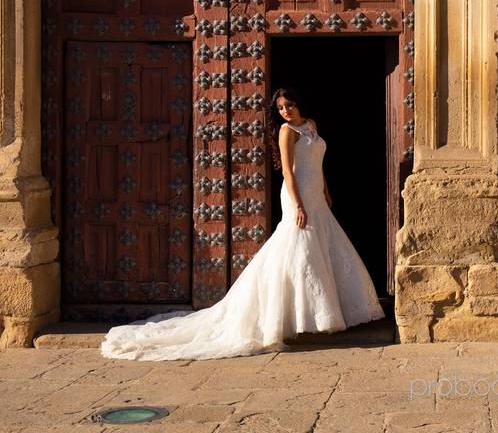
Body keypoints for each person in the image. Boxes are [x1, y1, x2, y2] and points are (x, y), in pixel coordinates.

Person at [100, 87, 385, 360]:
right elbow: (287, 170)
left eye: (289, 106)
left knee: (322, 246)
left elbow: (317, 162)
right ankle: (292, 317)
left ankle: (319, 314)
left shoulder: (311, 124)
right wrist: (298, 204)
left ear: (299, 104)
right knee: (300, 249)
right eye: (280, 108)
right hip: (296, 193)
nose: (285, 111)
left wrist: (325, 188)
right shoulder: (287, 131)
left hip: (315, 193)